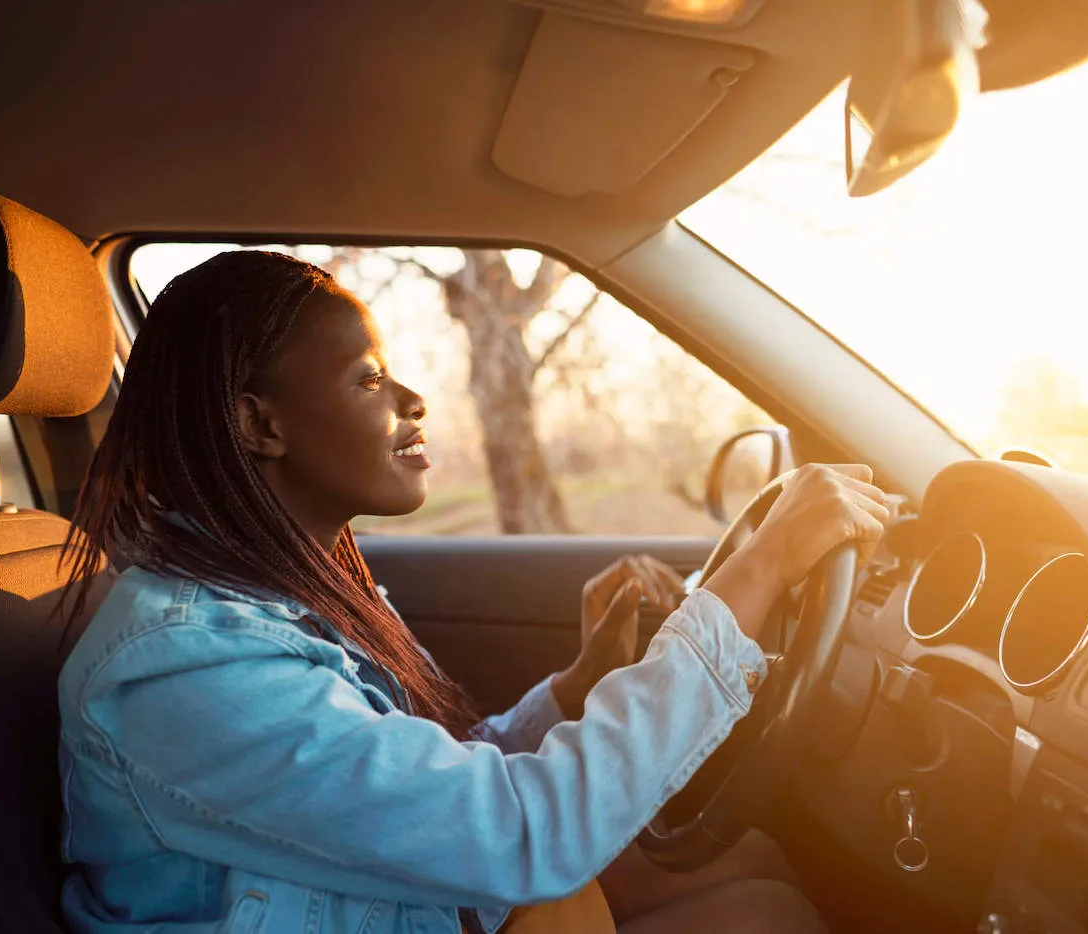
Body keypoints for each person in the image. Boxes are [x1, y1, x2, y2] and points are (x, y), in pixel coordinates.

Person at [57, 250, 890, 933]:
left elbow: (443, 777)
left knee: (753, 873)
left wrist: (577, 685)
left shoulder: (293, 596)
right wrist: (758, 573)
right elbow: (520, 836)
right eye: (368, 379)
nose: (413, 400)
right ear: (260, 426)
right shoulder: (189, 667)